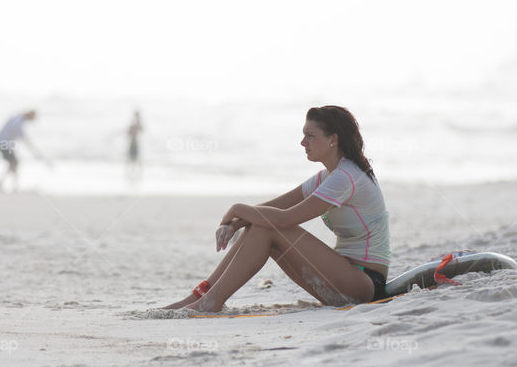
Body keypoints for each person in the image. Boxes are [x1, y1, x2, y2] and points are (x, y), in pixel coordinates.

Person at [162, 105, 391, 312]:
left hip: (365, 283)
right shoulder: (327, 177)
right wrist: (233, 223)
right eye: (303, 136)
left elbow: (283, 220)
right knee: (262, 223)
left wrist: (236, 208)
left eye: (309, 136)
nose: (303, 143)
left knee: (268, 226)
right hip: (342, 277)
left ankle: (210, 302)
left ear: (333, 139)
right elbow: (272, 208)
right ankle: (201, 295)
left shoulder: (345, 178)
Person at [0, 110, 48, 192]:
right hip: (3, 143)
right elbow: (23, 137)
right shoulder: (18, 121)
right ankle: (12, 185)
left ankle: (6, 183)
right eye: (33, 118)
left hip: (3, 142)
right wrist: (32, 148)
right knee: (14, 162)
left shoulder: (16, 118)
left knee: (14, 163)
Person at [126, 109, 143, 180]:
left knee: (135, 159)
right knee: (131, 159)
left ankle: (136, 174)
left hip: (135, 143)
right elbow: (128, 133)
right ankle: (130, 174)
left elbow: (142, 130)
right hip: (133, 143)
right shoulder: (133, 124)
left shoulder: (136, 124)